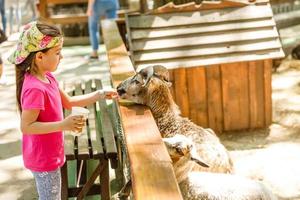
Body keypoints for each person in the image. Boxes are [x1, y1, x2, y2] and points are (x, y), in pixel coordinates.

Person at [8, 21, 118, 199]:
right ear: (39, 57)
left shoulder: (48, 77)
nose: (62, 57)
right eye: (58, 53)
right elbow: (27, 126)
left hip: (51, 154)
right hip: (43, 159)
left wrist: (100, 94)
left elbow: (68, 102)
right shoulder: (35, 88)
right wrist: (63, 124)